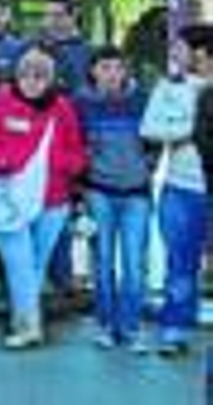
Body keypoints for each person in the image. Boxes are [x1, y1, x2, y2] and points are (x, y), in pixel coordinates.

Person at [0, 49, 86, 350]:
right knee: (19, 264)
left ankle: (22, 319)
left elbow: (76, 151)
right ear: (17, 76)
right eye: (26, 75)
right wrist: (1, 160)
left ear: (50, 79)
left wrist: (63, 166)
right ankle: (29, 327)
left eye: (40, 76)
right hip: (9, 197)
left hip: (52, 199)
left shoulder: (63, 108)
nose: (32, 81)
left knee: (35, 265)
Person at [73, 46, 151, 352]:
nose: (112, 74)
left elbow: (155, 140)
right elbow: (74, 145)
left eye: (118, 68)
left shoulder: (140, 99)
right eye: (105, 67)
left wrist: (147, 166)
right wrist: (80, 188)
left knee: (134, 263)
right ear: (93, 71)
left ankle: (131, 327)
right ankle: (105, 325)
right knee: (102, 261)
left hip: (136, 192)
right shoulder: (81, 103)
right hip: (98, 191)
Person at [158, 24, 213, 356]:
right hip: (180, 186)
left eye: (179, 48)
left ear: (200, 52)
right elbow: (152, 128)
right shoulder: (172, 87)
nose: (174, 54)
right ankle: (174, 330)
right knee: (180, 263)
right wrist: (176, 131)